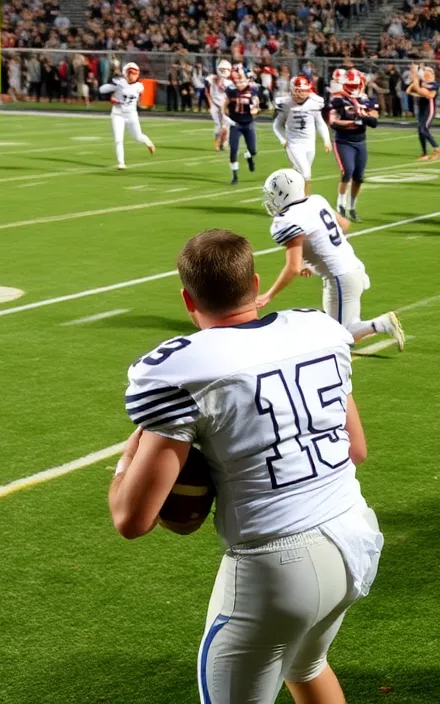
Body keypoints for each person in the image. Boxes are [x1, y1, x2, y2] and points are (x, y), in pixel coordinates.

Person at [109, 229, 384, 704]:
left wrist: (126, 460)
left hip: (276, 565)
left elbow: (131, 520)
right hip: (355, 536)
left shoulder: (180, 369)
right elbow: (355, 448)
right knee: (308, 665)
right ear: (255, 284)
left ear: (187, 299)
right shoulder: (317, 329)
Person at [257, 168, 403, 349]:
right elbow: (344, 224)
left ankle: (383, 323)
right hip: (353, 267)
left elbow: (292, 267)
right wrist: (313, 257)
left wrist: (268, 295)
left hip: (340, 277)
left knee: (340, 336)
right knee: (343, 328)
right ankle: (379, 324)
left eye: (273, 194)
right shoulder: (317, 200)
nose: (270, 200)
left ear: (284, 194)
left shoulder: (287, 220)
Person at [328, 69, 378, 221]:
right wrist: (355, 121)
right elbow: (333, 122)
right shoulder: (339, 99)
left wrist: (365, 116)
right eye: (350, 84)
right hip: (343, 141)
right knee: (347, 172)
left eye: (355, 84)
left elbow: (374, 121)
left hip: (360, 141)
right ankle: (340, 205)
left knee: (359, 177)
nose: (353, 87)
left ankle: (352, 207)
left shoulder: (366, 100)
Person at [273, 76, 331, 190]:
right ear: (292, 89)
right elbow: (277, 125)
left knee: (300, 173)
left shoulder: (314, 102)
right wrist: (283, 140)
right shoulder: (286, 103)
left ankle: (290, 193)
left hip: (310, 143)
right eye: (299, 90)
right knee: (306, 173)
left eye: (304, 90)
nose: (302, 94)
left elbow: (320, 123)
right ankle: (305, 200)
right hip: (294, 143)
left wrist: (327, 140)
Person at [97, 62, 156, 170]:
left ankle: (148, 142)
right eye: (131, 73)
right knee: (118, 139)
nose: (133, 76)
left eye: (135, 73)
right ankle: (121, 163)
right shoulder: (119, 82)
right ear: (126, 73)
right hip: (117, 113)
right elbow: (102, 90)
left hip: (131, 114)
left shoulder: (139, 86)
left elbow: (132, 95)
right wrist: (112, 84)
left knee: (137, 137)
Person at [224, 65, 260, 186]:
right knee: (233, 150)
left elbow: (256, 105)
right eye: (238, 81)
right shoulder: (231, 90)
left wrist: (255, 109)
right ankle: (235, 176)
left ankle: (249, 157)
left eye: (242, 80)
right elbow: (224, 107)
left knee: (253, 150)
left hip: (248, 124)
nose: (240, 83)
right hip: (236, 124)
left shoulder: (252, 90)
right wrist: (229, 120)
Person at [406, 64, 440, 161]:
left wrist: (415, 77)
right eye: (425, 73)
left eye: (428, 73)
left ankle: (436, 149)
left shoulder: (434, 84)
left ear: (433, 74)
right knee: (420, 131)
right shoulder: (423, 82)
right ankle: (424, 153)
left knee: (423, 129)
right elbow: (408, 91)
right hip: (421, 109)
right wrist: (415, 78)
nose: (426, 75)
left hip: (429, 108)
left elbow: (423, 92)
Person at [207, 60, 233, 153]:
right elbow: (206, 85)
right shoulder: (212, 78)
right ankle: (218, 143)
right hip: (215, 104)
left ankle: (224, 142)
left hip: (224, 105)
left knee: (226, 126)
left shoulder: (229, 82)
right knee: (219, 125)